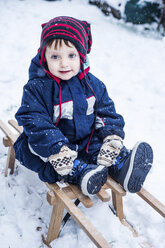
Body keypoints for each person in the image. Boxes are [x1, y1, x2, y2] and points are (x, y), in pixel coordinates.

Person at [14, 16, 153, 196]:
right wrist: (58, 147)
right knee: (37, 152)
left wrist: (111, 135)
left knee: (103, 146)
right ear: (44, 57)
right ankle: (78, 173)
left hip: (86, 141)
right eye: (55, 56)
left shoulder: (93, 85)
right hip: (52, 146)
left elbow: (106, 112)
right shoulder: (37, 88)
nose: (64, 63)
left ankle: (121, 165)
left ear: (81, 56)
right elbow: (35, 120)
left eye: (71, 55)